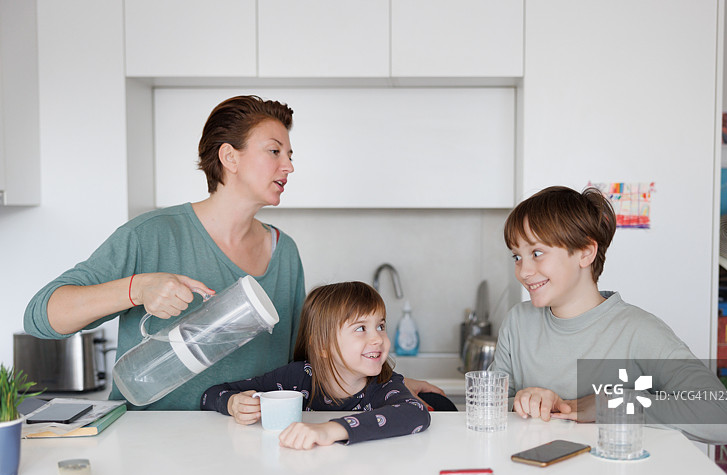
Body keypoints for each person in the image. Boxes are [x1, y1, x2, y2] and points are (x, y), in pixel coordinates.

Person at [24, 95, 441, 410]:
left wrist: (395, 385)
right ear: (229, 157)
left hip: (252, 447)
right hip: (150, 443)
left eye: (290, 155)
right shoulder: (152, 236)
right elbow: (42, 316)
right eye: (274, 151)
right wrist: (137, 288)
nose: (289, 166)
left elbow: (312, 361)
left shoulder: (284, 252)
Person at [490, 185, 727, 445]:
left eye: (536, 253)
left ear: (585, 252)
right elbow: (487, 404)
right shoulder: (518, 322)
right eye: (517, 257)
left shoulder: (638, 331)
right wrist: (523, 402)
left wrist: (611, 403)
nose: (523, 271)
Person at [201, 282, 431, 449]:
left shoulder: (385, 384)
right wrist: (232, 403)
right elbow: (211, 394)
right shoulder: (296, 377)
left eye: (380, 326)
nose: (378, 338)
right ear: (322, 346)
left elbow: (416, 414)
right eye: (361, 328)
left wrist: (328, 430)